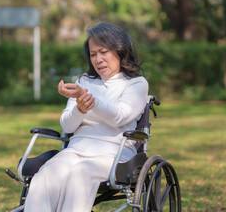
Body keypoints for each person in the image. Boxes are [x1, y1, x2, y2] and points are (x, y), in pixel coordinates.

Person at [24, 22, 148, 212]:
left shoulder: (136, 84)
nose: (97, 59)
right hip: (76, 150)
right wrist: (79, 109)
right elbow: (67, 127)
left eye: (103, 52)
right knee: (46, 174)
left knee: (80, 174)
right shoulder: (84, 81)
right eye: (93, 54)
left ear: (120, 50)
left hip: (114, 154)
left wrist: (87, 99)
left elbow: (119, 117)